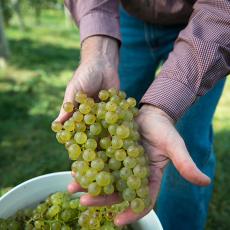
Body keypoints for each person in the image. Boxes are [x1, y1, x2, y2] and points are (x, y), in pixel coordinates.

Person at [56, 1, 230, 229]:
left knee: (188, 148)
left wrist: (163, 107)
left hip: (206, 25)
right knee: (111, 126)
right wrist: (98, 52)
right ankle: (106, 221)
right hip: (123, 18)